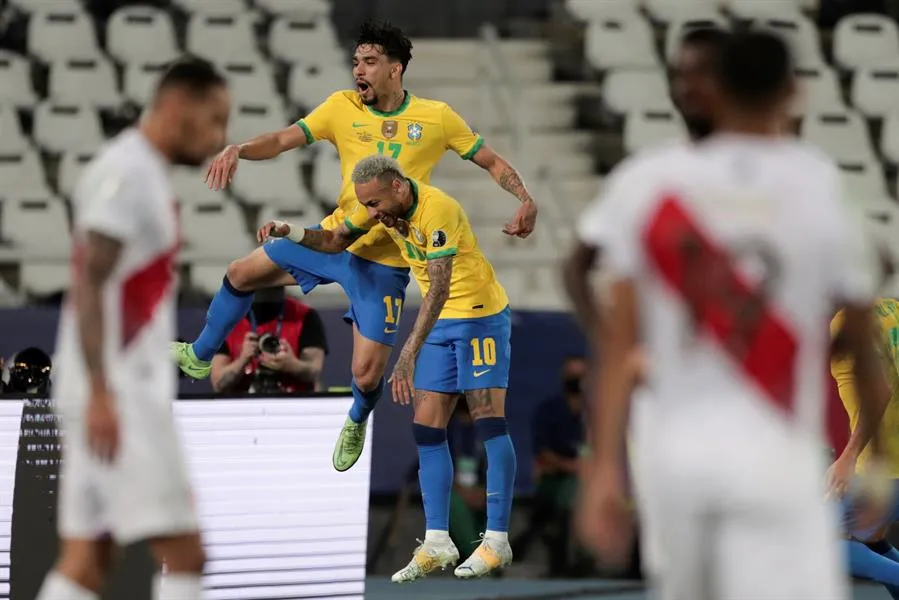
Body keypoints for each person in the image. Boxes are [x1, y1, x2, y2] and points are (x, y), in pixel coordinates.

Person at [576, 31, 890, 599]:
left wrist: (604, 472)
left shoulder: (649, 182)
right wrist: (876, 465)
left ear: (712, 91)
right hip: (782, 453)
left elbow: (618, 347)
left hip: (678, 452)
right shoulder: (819, 186)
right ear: (795, 91)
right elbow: (865, 346)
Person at [170, 20, 538, 474]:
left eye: (369, 62)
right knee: (241, 271)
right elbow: (284, 139)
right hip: (334, 239)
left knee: (365, 374)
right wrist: (238, 149)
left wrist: (523, 198)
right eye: (355, 62)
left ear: (395, 69)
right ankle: (201, 354)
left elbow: (491, 160)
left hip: (383, 265)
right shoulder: (341, 108)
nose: (358, 71)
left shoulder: (436, 118)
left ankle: (357, 417)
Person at [257, 153, 517, 581]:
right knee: (427, 428)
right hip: (439, 326)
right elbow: (336, 238)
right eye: (368, 206)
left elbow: (438, 288)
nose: (372, 215)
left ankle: (496, 541)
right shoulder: (380, 204)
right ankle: (438, 541)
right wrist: (292, 231)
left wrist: (408, 351)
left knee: (489, 422)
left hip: (478, 315)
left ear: (398, 187)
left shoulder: (440, 209)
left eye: (375, 205)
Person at [37, 58, 230, 600]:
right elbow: (90, 282)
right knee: (187, 554)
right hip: (119, 397)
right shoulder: (131, 172)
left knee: (86, 561)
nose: (220, 138)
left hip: (100, 390)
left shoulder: (136, 170)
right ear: (177, 107)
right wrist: (102, 391)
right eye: (214, 119)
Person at [563, 26, 729, 585]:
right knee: (676, 564)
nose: (690, 88)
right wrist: (618, 342)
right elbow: (576, 265)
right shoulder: (648, 178)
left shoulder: (789, 175)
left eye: (703, 73)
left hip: (752, 395)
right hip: (668, 400)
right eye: (681, 75)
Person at [829, 299, 899, 597]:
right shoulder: (893, 309)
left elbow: (879, 390)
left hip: (883, 469)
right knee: (870, 540)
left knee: (819, 540)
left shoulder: (847, 323)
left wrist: (848, 456)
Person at [513, 355, 586, 576]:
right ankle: (562, 562)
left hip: (586, 480)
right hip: (555, 478)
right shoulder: (549, 410)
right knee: (567, 494)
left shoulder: (596, 412)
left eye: (581, 375)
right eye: (572, 375)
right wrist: (570, 465)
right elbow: (543, 452)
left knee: (576, 493)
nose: (576, 380)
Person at [211, 287, 328, 394]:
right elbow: (218, 384)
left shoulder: (305, 316)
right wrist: (242, 360)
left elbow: (314, 371)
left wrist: (292, 365)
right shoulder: (227, 319)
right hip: (242, 408)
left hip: (292, 405)